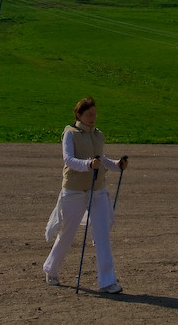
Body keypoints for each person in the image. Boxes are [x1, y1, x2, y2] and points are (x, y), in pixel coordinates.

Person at [43, 96, 128, 293]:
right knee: (67, 233)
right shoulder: (70, 134)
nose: (93, 118)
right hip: (73, 191)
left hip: (98, 190)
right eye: (89, 114)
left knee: (102, 235)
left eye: (95, 114)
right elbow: (69, 160)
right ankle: (51, 269)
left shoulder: (98, 135)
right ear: (79, 115)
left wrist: (117, 165)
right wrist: (88, 164)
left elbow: (102, 159)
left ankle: (107, 281)